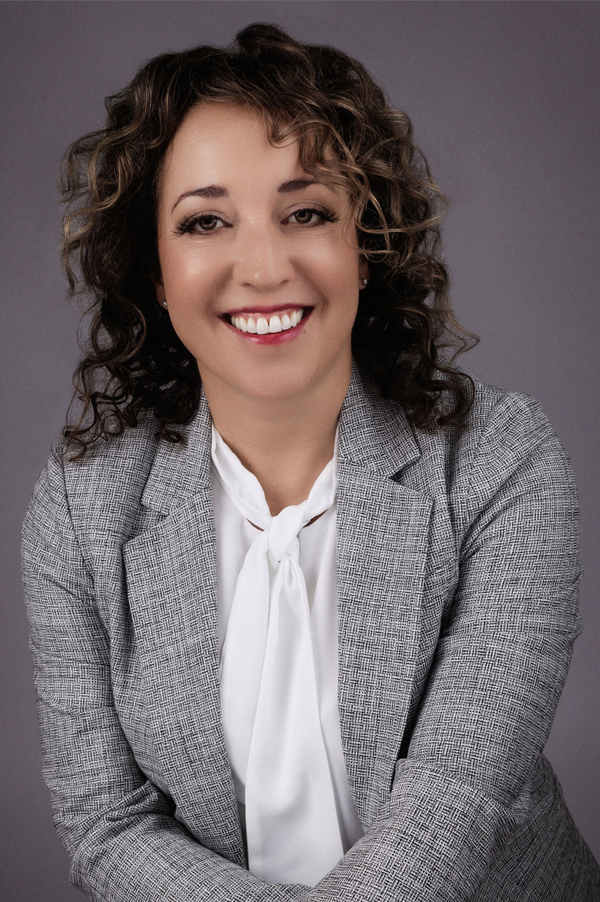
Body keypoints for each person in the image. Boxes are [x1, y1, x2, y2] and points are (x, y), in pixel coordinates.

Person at [21, 22, 600, 902]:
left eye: (306, 213)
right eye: (206, 221)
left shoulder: (503, 463)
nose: (263, 266)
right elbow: (107, 822)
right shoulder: (79, 511)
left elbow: (452, 800)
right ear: (155, 268)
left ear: (365, 245)